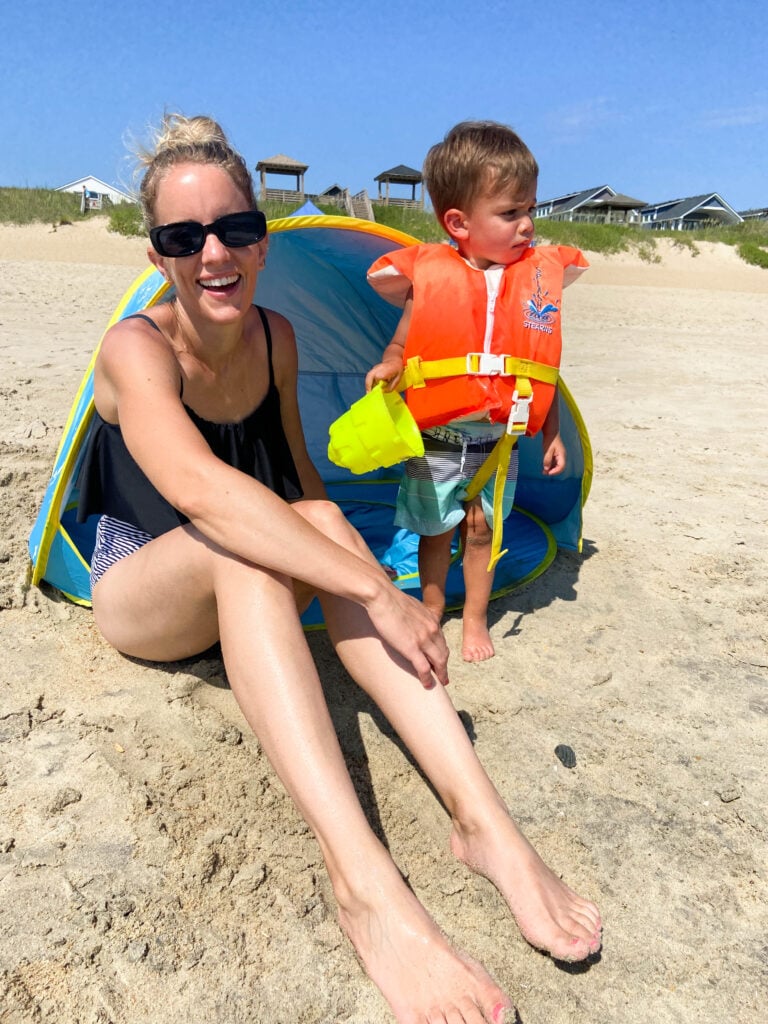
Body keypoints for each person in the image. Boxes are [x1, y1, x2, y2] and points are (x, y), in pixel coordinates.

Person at [76, 113, 601, 1024]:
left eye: (236, 229)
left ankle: (488, 828)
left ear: (263, 238)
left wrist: (351, 561)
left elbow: (299, 482)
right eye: (183, 236)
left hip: (238, 551)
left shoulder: (275, 338)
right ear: (155, 252)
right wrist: (377, 594)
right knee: (247, 548)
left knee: (310, 515)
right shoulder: (137, 348)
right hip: (141, 586)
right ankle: (365, 887)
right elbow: (201, 491)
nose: (214, 254)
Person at [366, 121, 588, 663]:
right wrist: (389, 366)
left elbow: (539, 370)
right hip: (439, 434)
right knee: (437, 533)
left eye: (530, 208)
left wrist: (553, 434)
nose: (528, 224)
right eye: (511, 213)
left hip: (502, 439)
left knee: (484, 532)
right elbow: (401, 345)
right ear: (459, 223)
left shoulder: (533, 280)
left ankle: (474, 621)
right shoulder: (431, 278)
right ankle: (431, 612)